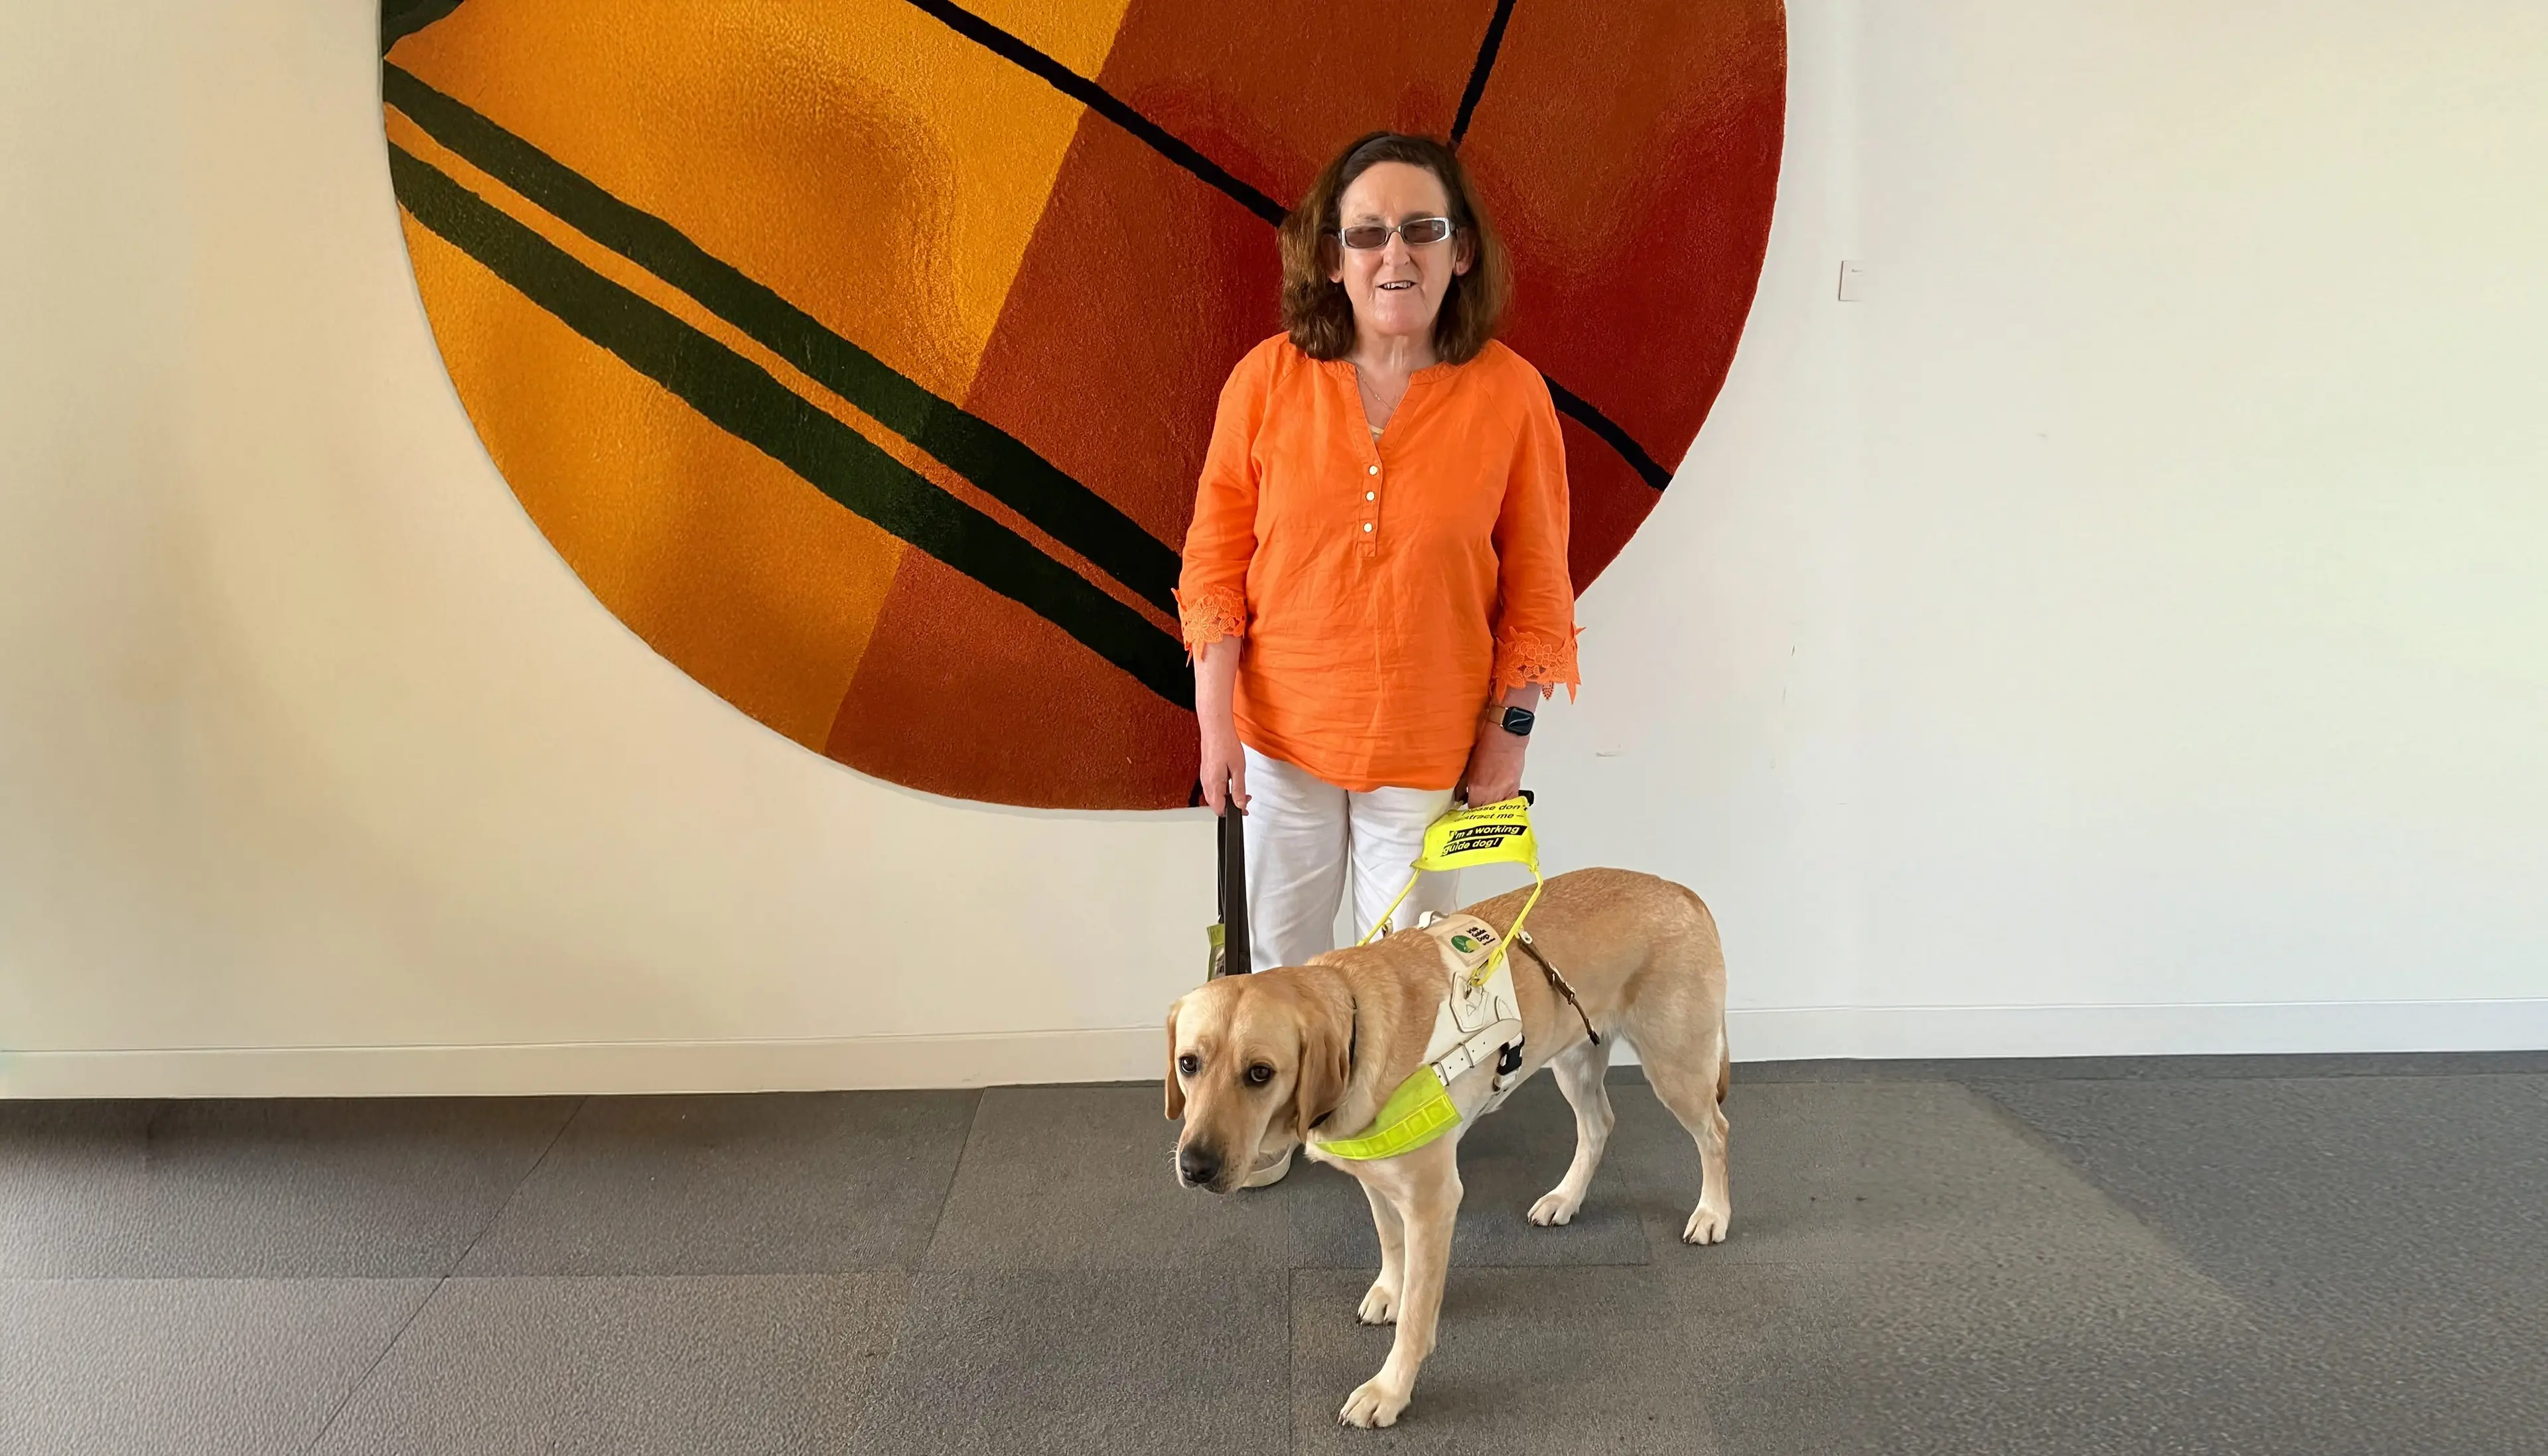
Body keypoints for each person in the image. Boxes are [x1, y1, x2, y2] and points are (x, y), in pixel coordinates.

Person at [1178, 130, 1580, 1181]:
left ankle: (1394, 1157)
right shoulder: (1265, 381)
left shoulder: (1511, 395)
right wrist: (1216, 725)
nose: (1392, 255)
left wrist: (1509, 744)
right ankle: (1262, 1138)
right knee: (1275, 968)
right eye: (1366, 233)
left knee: (1409, 983)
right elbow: (1213, 567)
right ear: (1330, 256)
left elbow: (1539, 591)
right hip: (1281, 744)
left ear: (1460, 253)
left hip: (1429, 756)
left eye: (1420, 229)